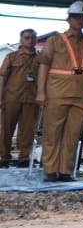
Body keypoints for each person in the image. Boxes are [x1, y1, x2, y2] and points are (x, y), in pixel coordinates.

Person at [35, 1, 83, 182]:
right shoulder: (55, 41)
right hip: (57, 93)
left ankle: (65, 171)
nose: (81, 21)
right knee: (52, 132)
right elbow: (43, 65)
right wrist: (41, 92)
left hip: (81, 94)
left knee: (72, 134)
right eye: (77, 17)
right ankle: (50, 170)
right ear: (68, 19)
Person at [0, 28, 40, 168]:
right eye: (27, 37)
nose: (30, 40)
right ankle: (4, 157)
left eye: (33, 37)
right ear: (21, 39)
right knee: (6, 129)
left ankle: (23, 158)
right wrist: (0, 97)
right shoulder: (11, 57)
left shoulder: (40, 58)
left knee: (27, 131)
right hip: (12, 98)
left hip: (32, 100)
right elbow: (2, 77)